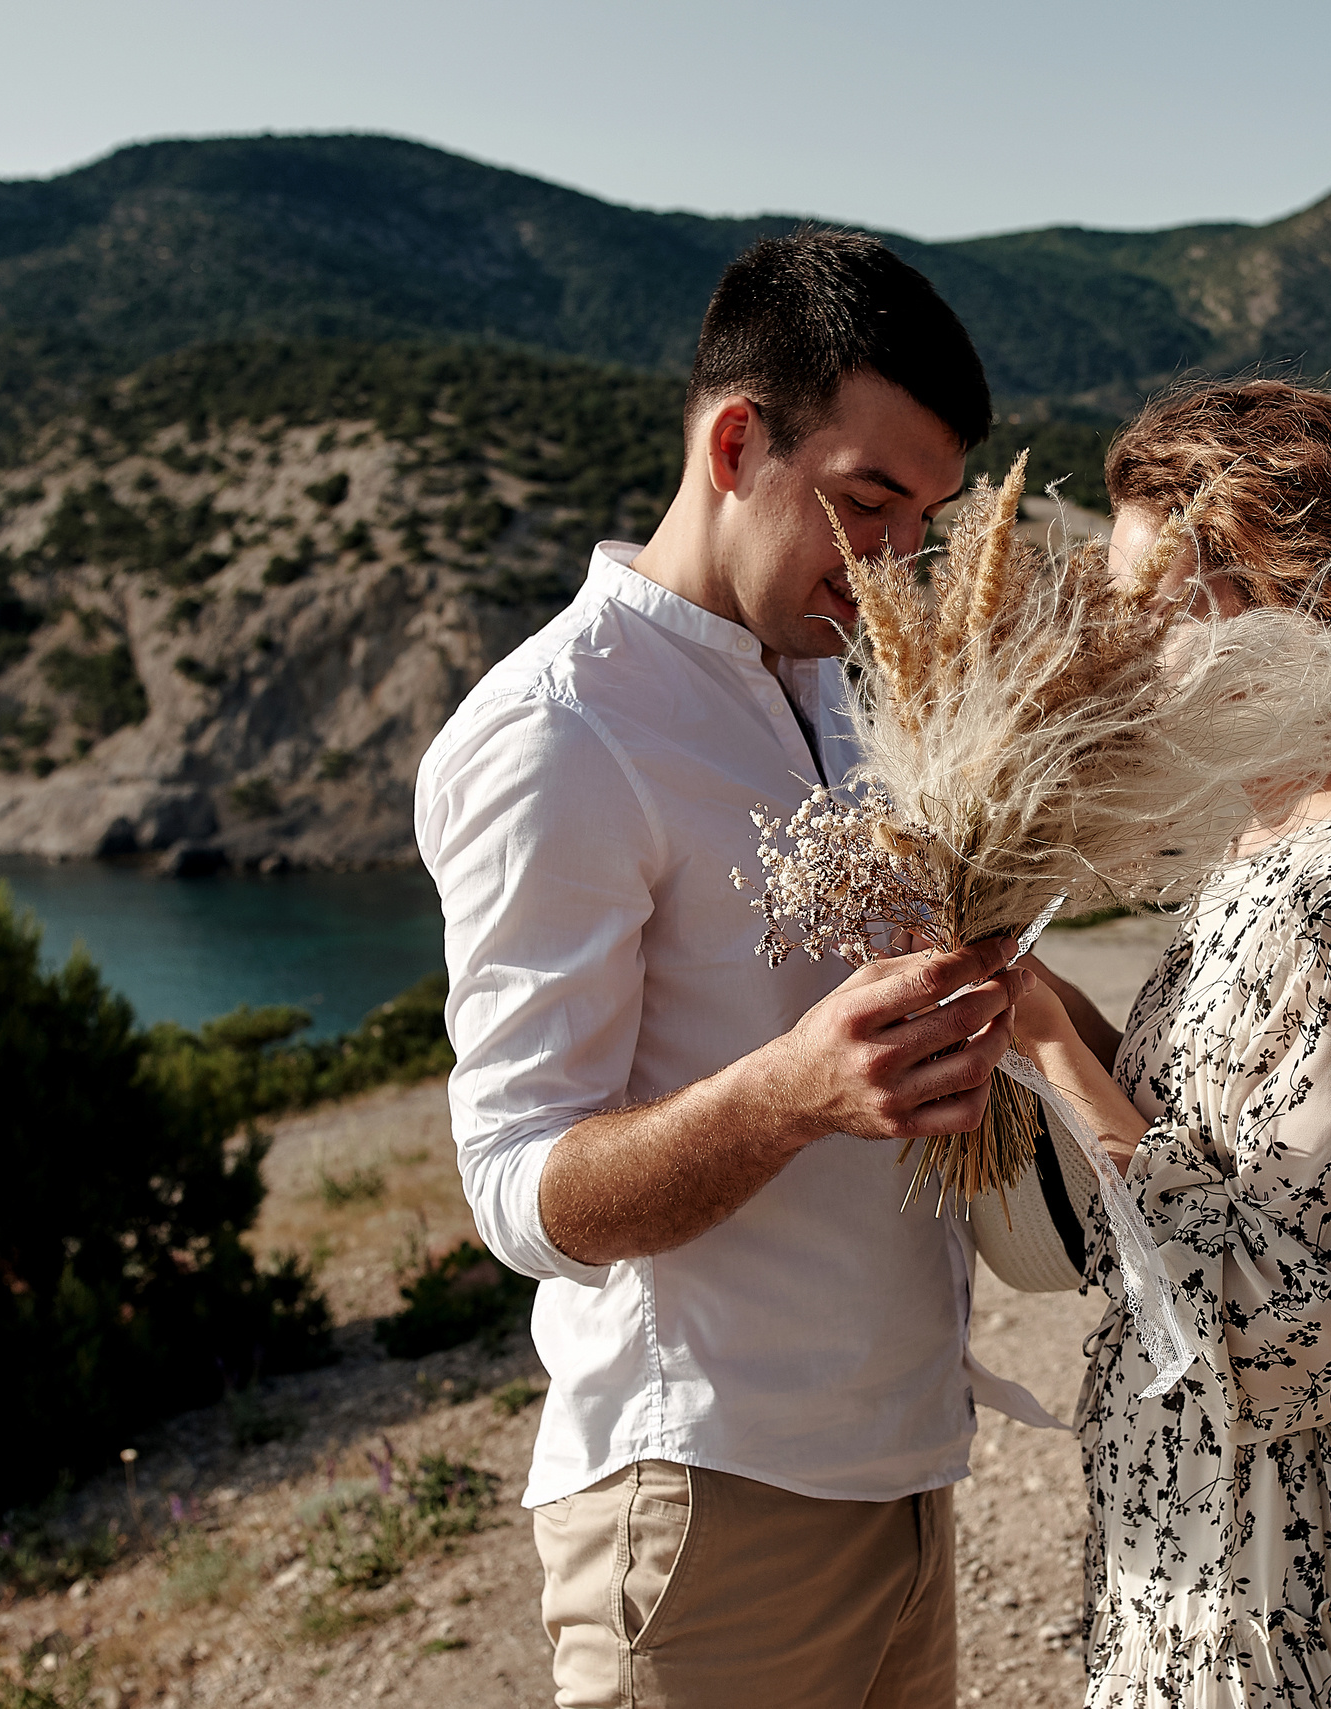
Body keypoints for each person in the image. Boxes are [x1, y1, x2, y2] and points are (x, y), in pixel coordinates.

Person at [415, 228, 1029, 1709]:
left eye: (925, 519)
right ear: (737, 442)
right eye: (867, 503)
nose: (897, 567)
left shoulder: (839, 688)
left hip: (901, 1477)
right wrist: (791, 1093)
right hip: (705, 1501)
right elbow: (516, 1191)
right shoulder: (560, 732)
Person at [1008, 381, 1331, 1708]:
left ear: (1280, 597)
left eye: (1154, 611)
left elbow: (1279, 1335)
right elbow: (1188, 1148)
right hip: (1209, 1548)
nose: (1123, 654)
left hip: (1281, 1591)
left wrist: (1048, 1048)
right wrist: (1022, 994)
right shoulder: (1277, 855)